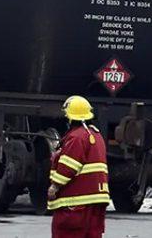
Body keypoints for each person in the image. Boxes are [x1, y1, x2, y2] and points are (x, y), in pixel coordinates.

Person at [47, 95, 109, 237]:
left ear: (70, 118)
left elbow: (69, 165)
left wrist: (55, 186)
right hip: (96, 200)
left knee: (66, 233)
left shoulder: (77, 137)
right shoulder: (96, 135)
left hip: (76, 201)